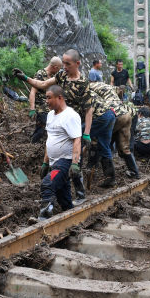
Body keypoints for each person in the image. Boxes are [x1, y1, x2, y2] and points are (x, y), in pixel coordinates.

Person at [16, 49, 94, 202]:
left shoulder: (83, 83)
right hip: (59, 120)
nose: (64, 66)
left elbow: (89, 109)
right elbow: (44, 84)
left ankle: (80, 194)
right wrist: (26, 78)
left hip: (74, 124)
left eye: (67, 64)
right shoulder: (62, 75)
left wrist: (86, 132)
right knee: (57, 156)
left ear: (77, 64)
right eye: (63, 63)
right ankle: (59, 193)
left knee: (75, 162)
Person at [38, 86, 82, 219]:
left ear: (60, 98)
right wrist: (45, 163)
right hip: (54, 162)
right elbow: (49, 139)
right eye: (46, 97)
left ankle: (44, 217)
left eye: (49, 97)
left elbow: (77, 140)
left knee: (47, 183)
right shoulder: (50, 115)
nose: (46, 101)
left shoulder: (71, 116)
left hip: (65, 161)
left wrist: (74, 163)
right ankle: (74, 221)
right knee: (65, 201)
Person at [92, 81, 140, 179]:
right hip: (126, 114)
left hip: (112, 114)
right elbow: (120, 90)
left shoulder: (87, 89)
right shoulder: (107, 86)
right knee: (124, 147)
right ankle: (134, 172)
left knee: (99, 143)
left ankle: (99, 172)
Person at [85, 81, 121, 187]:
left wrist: (86, 133)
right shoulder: (105, 87)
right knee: (104, 146)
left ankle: (86, 169)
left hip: (102, 116)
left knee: (80, 139)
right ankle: (110, 179)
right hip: (112, 113)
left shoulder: (84, 91)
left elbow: (89, 112)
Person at [28, 57, 63, 143]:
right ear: (55, 67)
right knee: (43, 126)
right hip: (41, 107)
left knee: (46, 128)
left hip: (51, 107)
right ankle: (33, 144)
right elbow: (33, 92)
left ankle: (39, 143)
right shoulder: (40, 74)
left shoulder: (54, 77)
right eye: (58, 68)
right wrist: (32, 108)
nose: (59, 71)